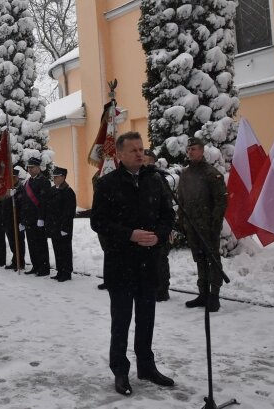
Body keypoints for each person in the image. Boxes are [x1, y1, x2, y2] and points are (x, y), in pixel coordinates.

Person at [91, 131, 176, 396]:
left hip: (148, 264)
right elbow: (98, 222)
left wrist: (159, 236)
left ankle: (147, 366)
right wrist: (130, 234)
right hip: (120, 264)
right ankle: (120, 371)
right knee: (122, 320)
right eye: (133, 150)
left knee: (146, 318)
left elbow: (168, 215)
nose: (140, 153)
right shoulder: (107, 184)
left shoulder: (155, 181)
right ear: (119, 155)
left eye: (142, 149)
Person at [176, 137, 227, 312]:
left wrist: (215, 224)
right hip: (192, 226)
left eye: (194, 149)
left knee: (212, 260)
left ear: (202, 151)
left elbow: (221, 202)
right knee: (199, 259)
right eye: (189, 149)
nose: (191, 152)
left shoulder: (212, 173)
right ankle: (203, 293)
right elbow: (181, 200)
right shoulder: (186, 174)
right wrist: (181, 221)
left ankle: (214, 296)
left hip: (209, 226)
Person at [144, 149, 172, 302]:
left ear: (152, 161)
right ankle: (153, 287)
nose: (142, 161)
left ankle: (162, 290)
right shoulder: (142, 178)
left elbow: (166, 206)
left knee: (161, 259)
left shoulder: (158, 178)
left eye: (146, 159)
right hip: (146, 227)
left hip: (159, 227)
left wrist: (162, 228)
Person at [19, 157, 50, 276]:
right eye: (29, 167)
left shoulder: (44, 181)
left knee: (41, 244)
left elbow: (43, 202)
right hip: (28, 219)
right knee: (32, 244)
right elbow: (24, 203)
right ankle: (36, 265)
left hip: (38, 219)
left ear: (38, 168)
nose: (30, 169)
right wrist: (22, 220)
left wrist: (41, 218)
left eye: (32, 167)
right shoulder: (27, 182)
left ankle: (44, 267)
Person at [45, 166, 76, 282]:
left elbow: (69, 212)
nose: (54, 179)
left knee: (65, 250)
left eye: (56, 177)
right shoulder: (53, 190)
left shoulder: (68, 192)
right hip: (54, 226)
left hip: (63, 227)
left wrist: (65, 227)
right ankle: (60, 271)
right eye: (53, 177)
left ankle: (67, 272)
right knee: (57, 249)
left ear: (63, 177)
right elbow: (48, 208)